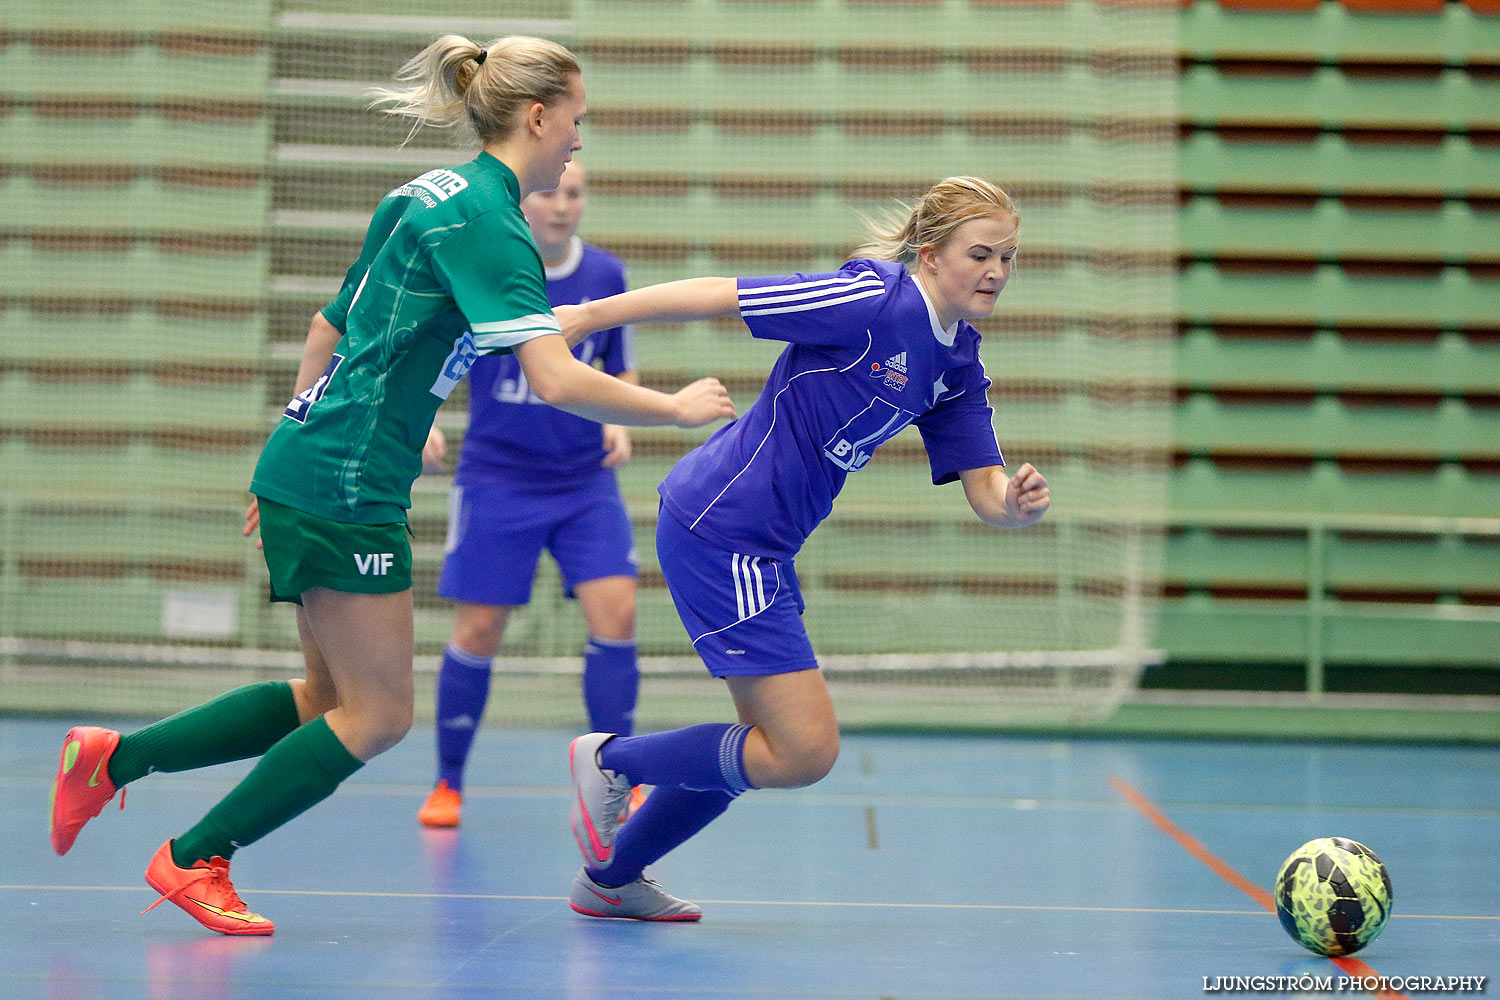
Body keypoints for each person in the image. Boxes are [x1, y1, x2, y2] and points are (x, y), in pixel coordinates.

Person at [46, 33, 733, 937]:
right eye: (576, 120)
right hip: (345, 481)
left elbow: (326, 331)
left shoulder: (423, 193)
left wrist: (287, 447)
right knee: (378, 714)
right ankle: (193, 855)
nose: (577, 141)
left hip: (313, 461)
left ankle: (112, 761)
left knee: (328, 697)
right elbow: (558, 380)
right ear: (537, 115)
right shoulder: (493, 223)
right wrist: (675, 408)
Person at [555, 176, 1051, 921]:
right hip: (722, 529)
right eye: (981, 253)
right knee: (804, 750)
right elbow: (719, 294)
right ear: (929, 253)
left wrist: (1014, 506)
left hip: (762, 546)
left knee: (770, 747)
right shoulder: (872, 301)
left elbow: (985, 490)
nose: (996, 272)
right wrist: (588, 314)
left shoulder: (957, 363)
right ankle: (609, 762)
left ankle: (611, 879)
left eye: (1008, 257)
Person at [416, 159, 647, 829]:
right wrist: (426, 416)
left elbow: (617, 364)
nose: (560, 204)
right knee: (479, 627)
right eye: (547, 191)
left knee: (618, 612)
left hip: (582, 481)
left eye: (573, 193)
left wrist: (616, 418)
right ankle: (448, 782)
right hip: (497, 477)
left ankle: (621, 775)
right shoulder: (491, 272)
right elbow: (444, 358)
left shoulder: (605, 275)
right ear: (523, 203)